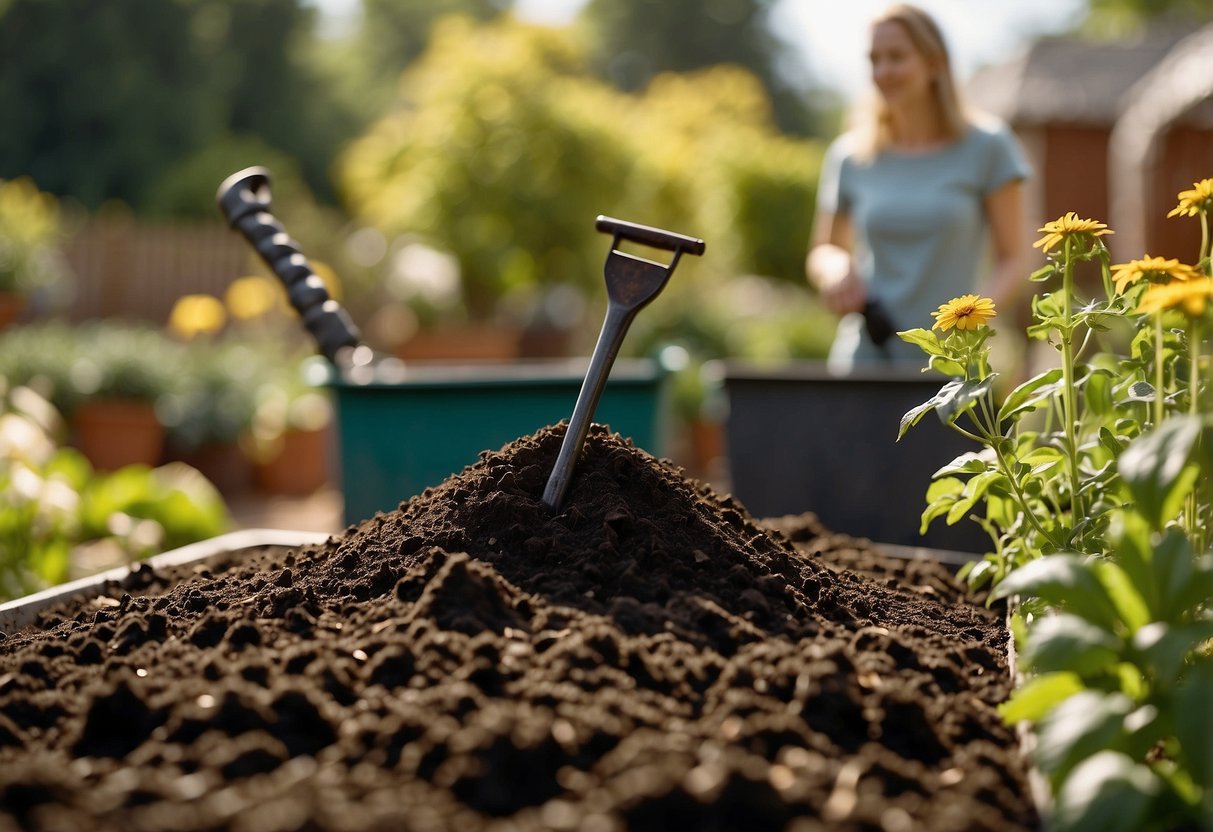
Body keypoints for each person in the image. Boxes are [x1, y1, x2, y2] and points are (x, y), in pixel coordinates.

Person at [806, 3, 1031, 371]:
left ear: (935, 63)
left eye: (896, 57)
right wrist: (835, 267)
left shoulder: (989, 147)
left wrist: (966, 325)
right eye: (874, 59)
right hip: (863, 359)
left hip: (952, 363)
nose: (882, 71)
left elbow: (1013, 260)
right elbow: (823, 250)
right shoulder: (850, 155)